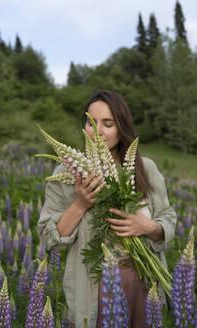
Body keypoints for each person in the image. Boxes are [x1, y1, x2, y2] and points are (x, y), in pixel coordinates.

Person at [38, 90, 176, 327]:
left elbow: (168, 219)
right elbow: (50, 239)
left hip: (145, 283)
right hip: (93, 289)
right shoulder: (65, 174)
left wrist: (148, 227)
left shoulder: (145, 168)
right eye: (91, 123)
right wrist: (81, 203)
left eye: (108, 123)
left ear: (121, 127)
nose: (98, 130)